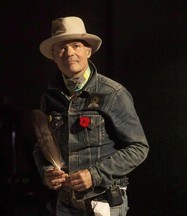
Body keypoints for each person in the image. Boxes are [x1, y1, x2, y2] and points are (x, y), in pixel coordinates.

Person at [32, 16, 149, 216]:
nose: (69, 53)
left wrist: (94, 174)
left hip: (104, 201)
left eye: (76, 45)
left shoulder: (112, 93)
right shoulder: (50, 97)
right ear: (53, 55)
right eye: (61, 47)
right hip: (67, 204)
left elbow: (138, 148)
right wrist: (46, 172)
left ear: (88, 51)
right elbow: (42, 145)